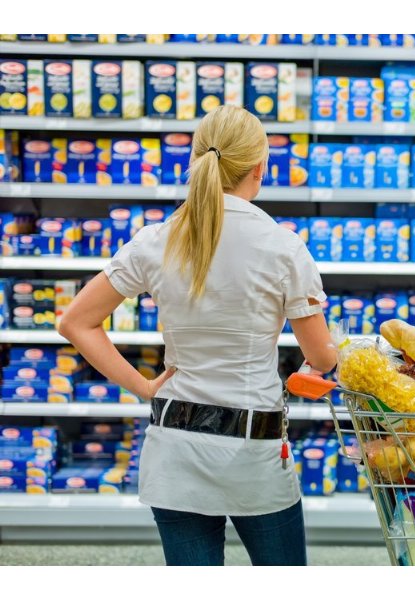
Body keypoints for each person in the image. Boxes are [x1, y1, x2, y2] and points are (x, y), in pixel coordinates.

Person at [58, 105, 337, 566]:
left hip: (174, 449)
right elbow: (320, 358)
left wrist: (144, 386)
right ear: (258, 168)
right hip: (254, 450)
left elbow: (75, 322)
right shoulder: (283, 247)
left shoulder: (156, 240)